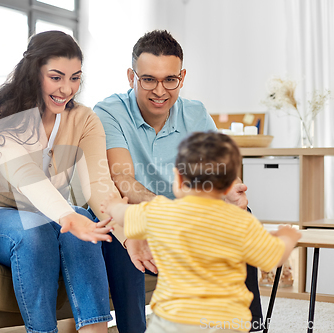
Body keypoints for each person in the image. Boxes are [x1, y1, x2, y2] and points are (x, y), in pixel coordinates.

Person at [93, 30, 260, 332]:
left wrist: (231, 191)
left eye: (170, 80)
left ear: (182, 77)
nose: (160, 91)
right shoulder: (109, 112)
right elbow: (121, 178)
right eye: (149, 80)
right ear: (132, 76)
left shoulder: (194, 113)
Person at [0, 30, 121, 333]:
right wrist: (67, 216)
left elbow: (99, 185)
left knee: (83, 220)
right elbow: (25, 177)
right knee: (38, 231)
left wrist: (130, 231)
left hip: (46, 215)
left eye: (75, 78)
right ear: (34, 73)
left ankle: (94, 330)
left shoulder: (84, 120)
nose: (67, 88)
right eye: (56, 77)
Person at [100, 132, 302, 333]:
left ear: (178, 180)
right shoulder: (241, 222)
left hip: (171, 320)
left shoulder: (161, 211)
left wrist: (113, 205)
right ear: (229, 186)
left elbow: (125, 216)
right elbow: (273, 256)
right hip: (225, 322)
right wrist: (288, 237)